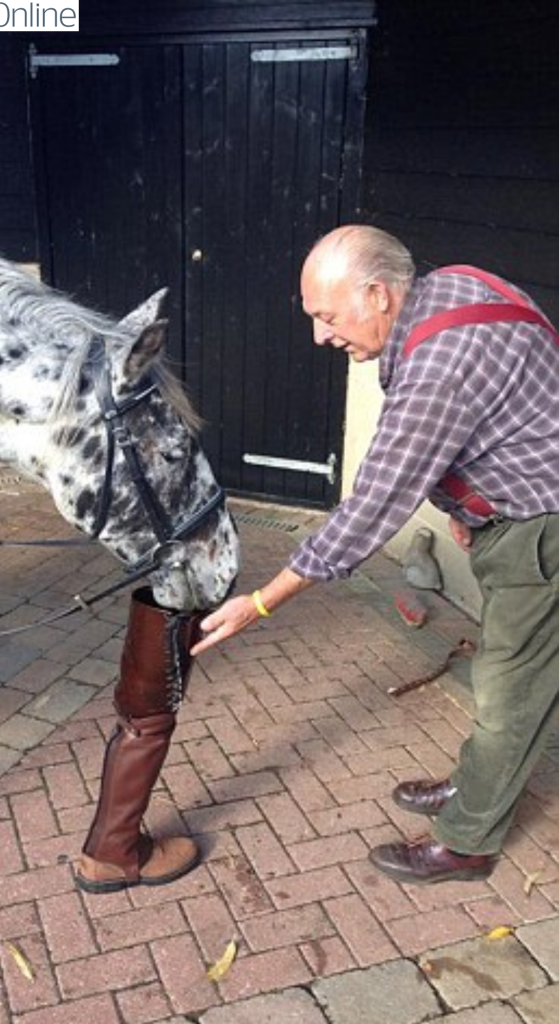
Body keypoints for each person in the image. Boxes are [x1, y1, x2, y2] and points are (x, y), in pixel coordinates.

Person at [191, 224, 559, 885]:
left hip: (542, 529)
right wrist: (469, 505)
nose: (321, 337)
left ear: (378, 295)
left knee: (511, 688)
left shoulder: (439, 362)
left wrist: (262, 602)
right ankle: (476, 784)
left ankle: (468, 841)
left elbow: (372, 506)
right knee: (510, 672)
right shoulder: (456, 285)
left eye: (327, 316)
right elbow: (510, 407)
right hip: (521, 508)